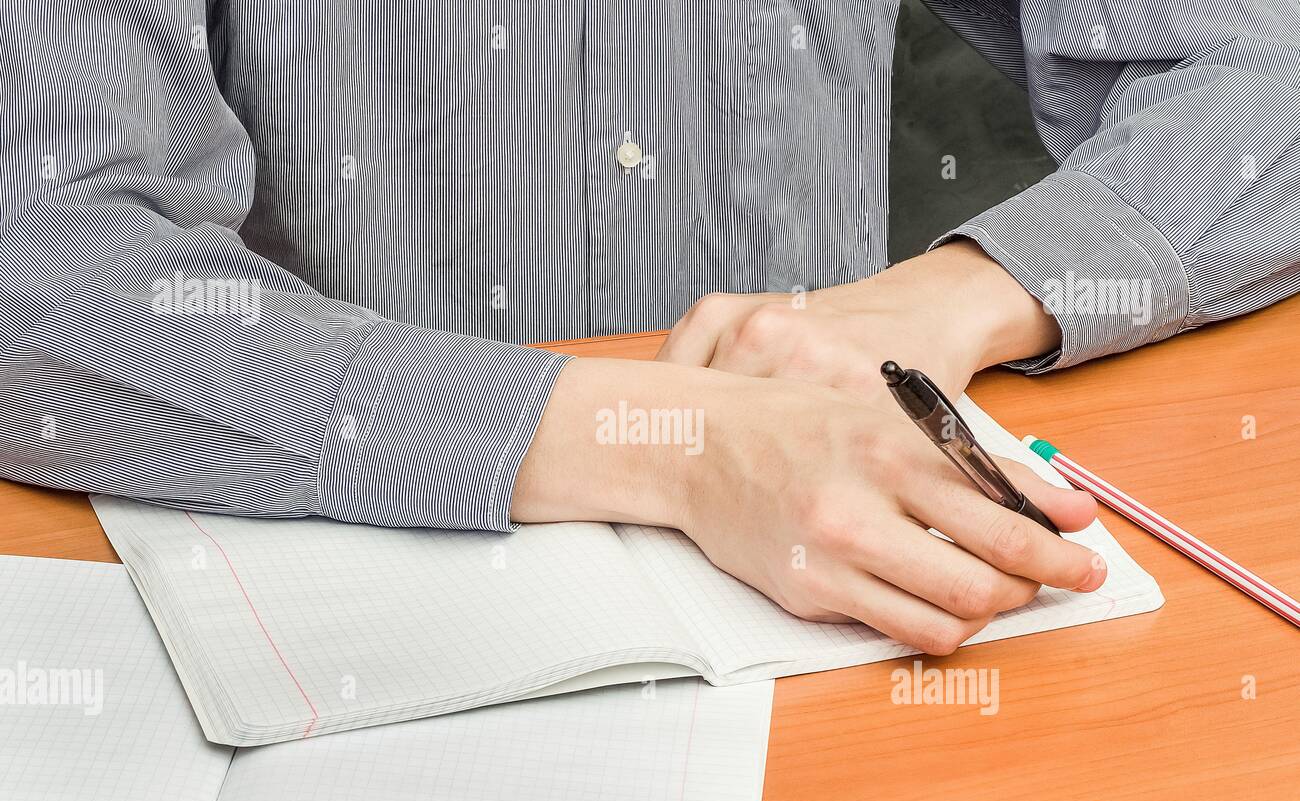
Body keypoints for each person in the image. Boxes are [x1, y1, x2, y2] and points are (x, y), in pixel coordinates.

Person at [3, 2, 1298, 655]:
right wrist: (666, 441)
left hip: (829, 601)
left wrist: (941, 299)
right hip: (349, 594)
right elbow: (40, 261)